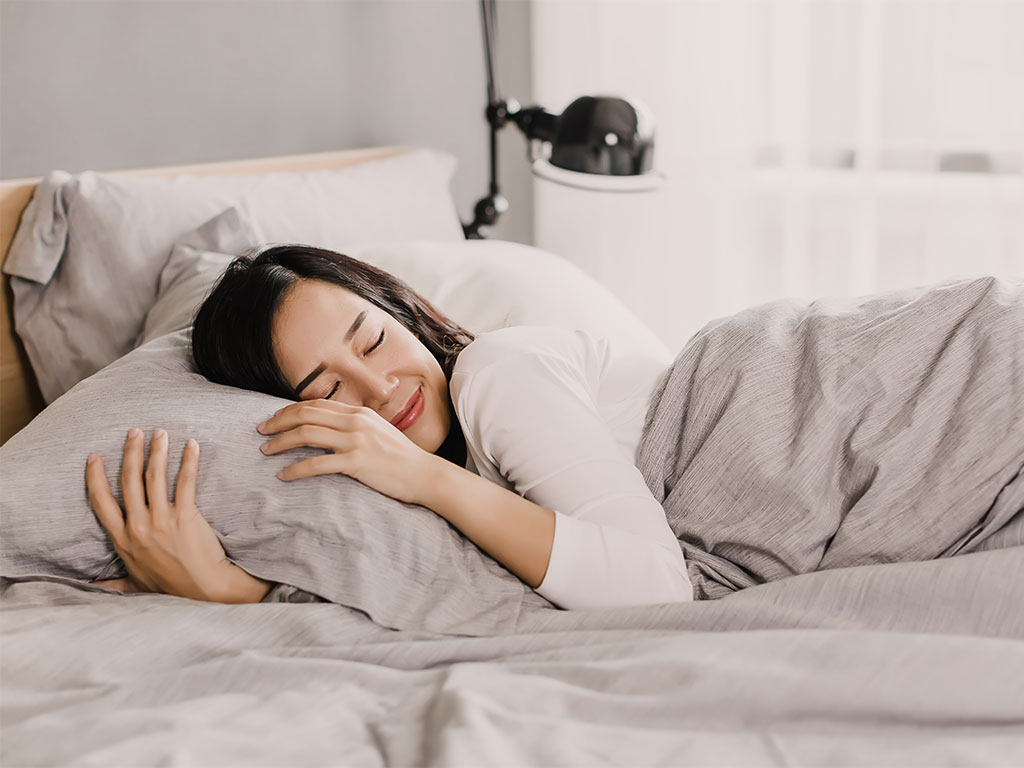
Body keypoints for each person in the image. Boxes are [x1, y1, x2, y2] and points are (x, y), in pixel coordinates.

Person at [85, 245, 694, 608]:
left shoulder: (497, 371)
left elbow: (658, 591)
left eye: (373, 341)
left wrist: (425, 475)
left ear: (402, 311)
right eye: (327, 390)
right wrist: (235, 591)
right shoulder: (406, 507)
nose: (381, 390)